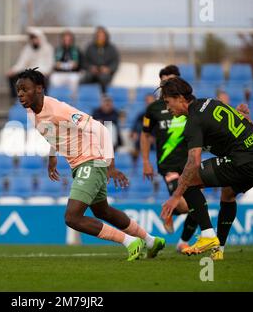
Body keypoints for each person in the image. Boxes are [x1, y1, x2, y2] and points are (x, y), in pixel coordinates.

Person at [16, 68, 165, 261]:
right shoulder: (31, 111)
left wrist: (111, 166)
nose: (20, 94)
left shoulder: (59, 109)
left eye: (24, 89)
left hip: (91, 161)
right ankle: (151, 241)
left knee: (72, 217)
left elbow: (101, 129)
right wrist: (53, 156)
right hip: (80, 164)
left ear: (39, 89)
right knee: (102, 211)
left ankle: (130, 242)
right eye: (18, 89)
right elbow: (52, 132)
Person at [160, 77, 253, 260]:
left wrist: (176, 196)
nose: (167, 107)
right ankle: (219, 250)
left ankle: (208, 235)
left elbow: (193, 163)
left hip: (244, 160)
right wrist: (244, 115)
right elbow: (239, 121)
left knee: (187, 179)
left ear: (179, 97)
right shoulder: (209, 102)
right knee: (227, 194)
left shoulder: (193, 121)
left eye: (167, 102)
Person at [140, 65, 199, 253]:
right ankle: (172, 208)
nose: (165, 84)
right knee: (185, 204)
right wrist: (146, 162)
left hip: (190, 161)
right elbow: (144, 134)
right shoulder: (153, 109)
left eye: (170, 80)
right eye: (163, 81)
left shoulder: (190, 106)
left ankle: (183, 242)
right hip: (169, 165)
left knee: (198, 206)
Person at [6, 28, 54, 101]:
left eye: (35, 38)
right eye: (32, 38)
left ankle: (43, 99)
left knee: (43, 79)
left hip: (42, 72)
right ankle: (15, 99)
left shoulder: (47, 48)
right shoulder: (27, 49)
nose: (34, 40)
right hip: (29, 72)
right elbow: (21, 63)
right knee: (12, 77)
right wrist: (13, 70)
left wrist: (43, 72)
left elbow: (49, 64)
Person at [81, 26, 119, 93]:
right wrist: (91, 68)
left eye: (102, 36)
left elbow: (115, 62)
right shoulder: (90, 47)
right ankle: (86, 96)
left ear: (106, 36)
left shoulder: (111, 48)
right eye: (99, 36)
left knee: (103, 78)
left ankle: (104, 97)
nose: (101, 38)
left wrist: (108, 69)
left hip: (105, 74)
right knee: (84, 79)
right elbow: (84, 62)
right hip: (92, 73)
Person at [49, 30, 82, 95]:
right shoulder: (58, 50)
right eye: (65, 39)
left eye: (69, 39)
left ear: (72, 40)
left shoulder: (76, 50)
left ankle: (73, 101)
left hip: (73, 73)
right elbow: (55, 63)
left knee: (75, 80)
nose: (67, 41)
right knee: (53, 79)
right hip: (59, 73)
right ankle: (57, 100)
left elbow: (79, 64)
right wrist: (58, 65)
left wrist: (76, 65)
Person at [131, 94, 156, 162]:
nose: (149, 103)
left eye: (151, 101)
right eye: (147, 101)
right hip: (143, 142)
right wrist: (134, 133)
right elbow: (134, 130)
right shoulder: (142, 116)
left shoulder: (160, 116)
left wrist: (154, 138)